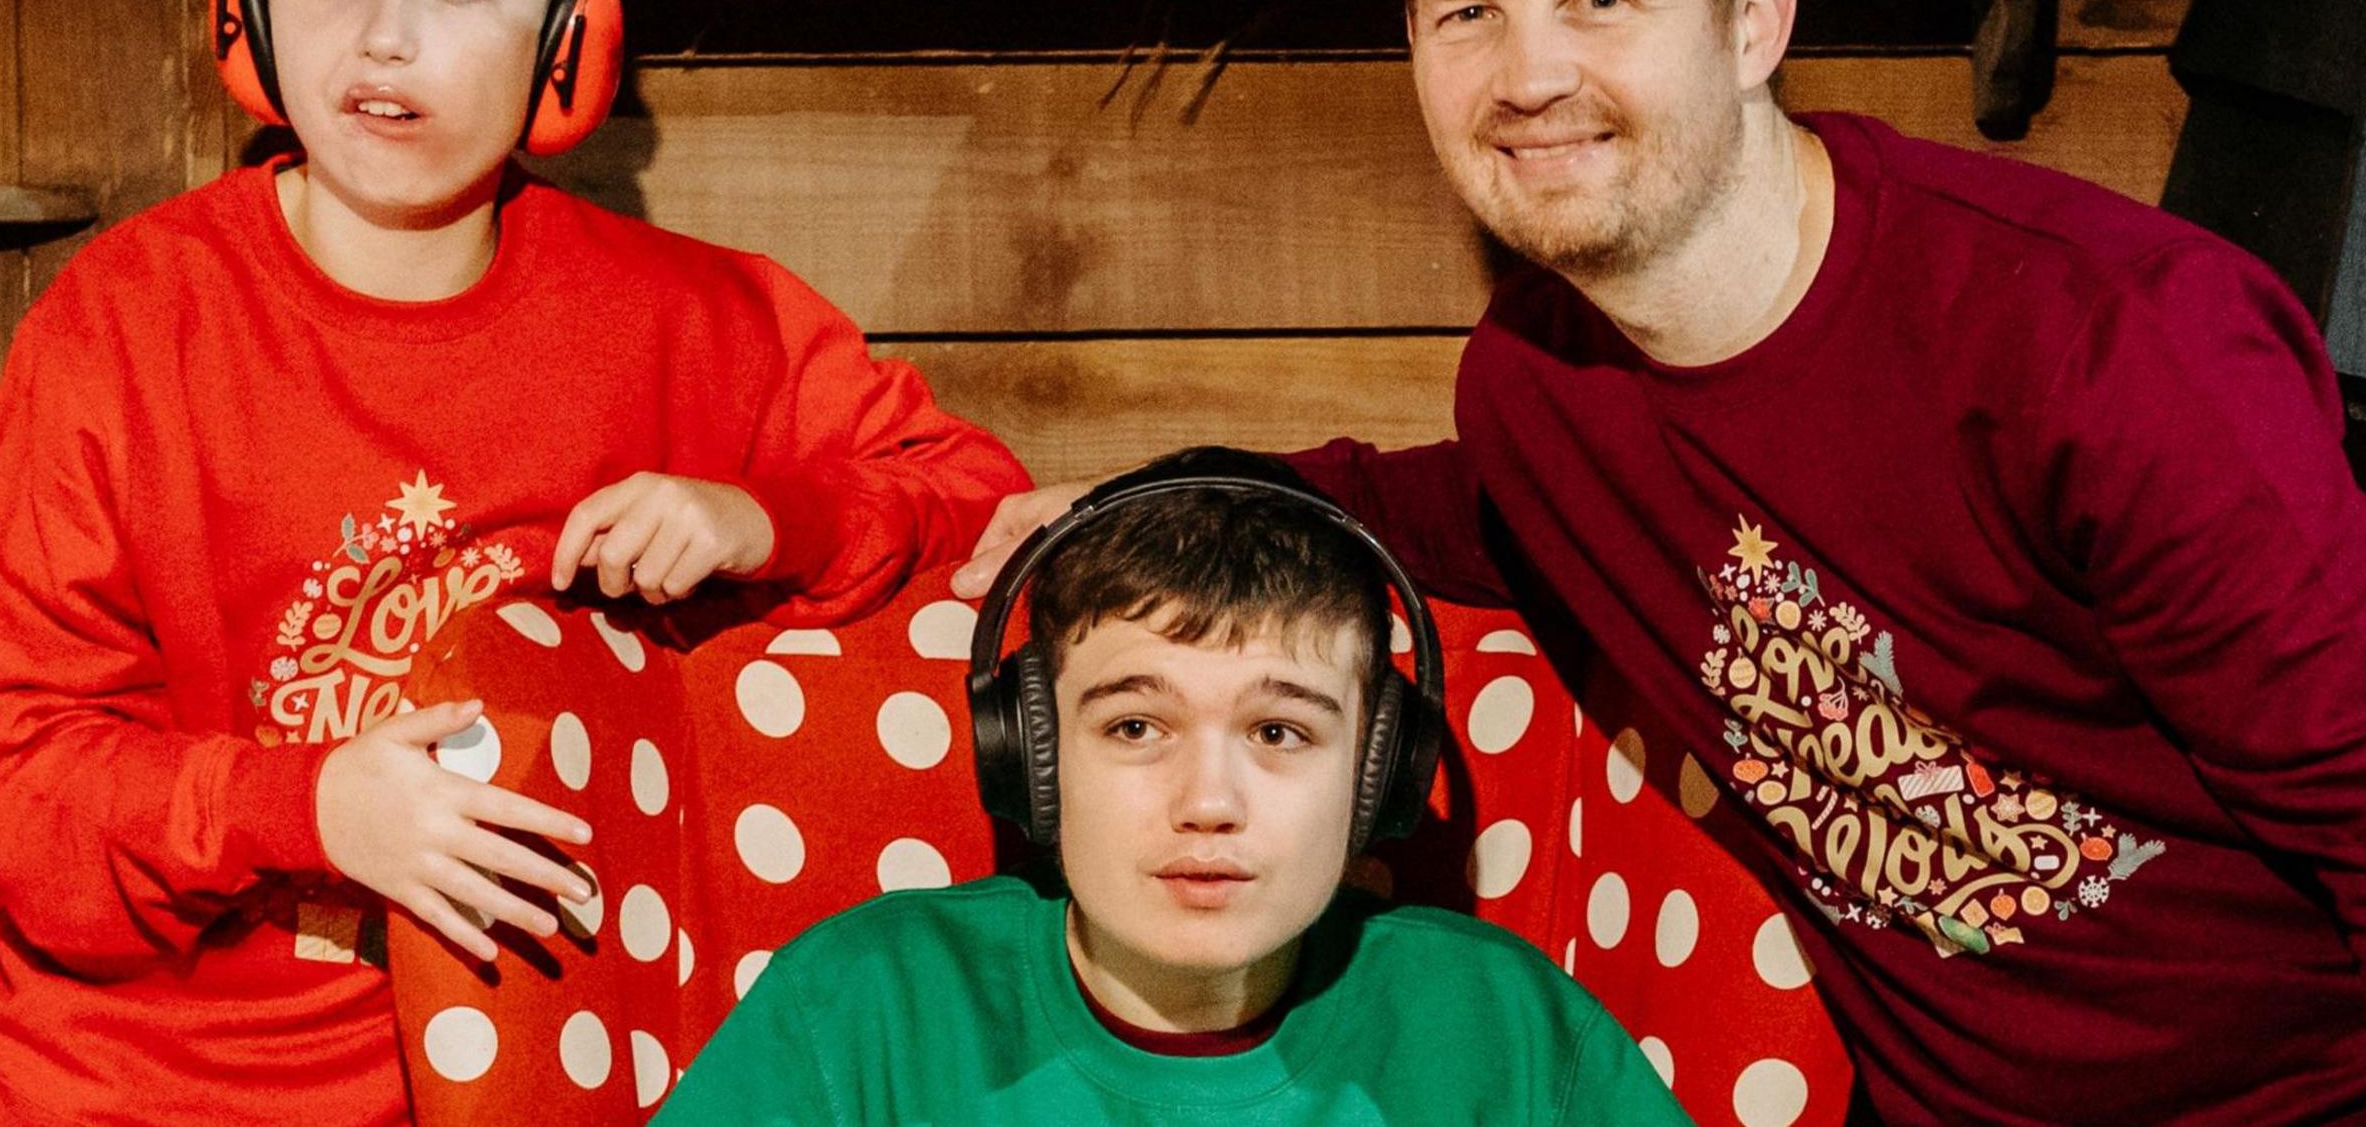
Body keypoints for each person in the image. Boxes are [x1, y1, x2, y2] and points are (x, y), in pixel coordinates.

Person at [954, 0, 2366, 1123]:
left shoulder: (2117, 350)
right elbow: (1451, 503)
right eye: (1466, 11)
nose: (1528, 72)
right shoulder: (1539, 389)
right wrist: (1138, 503)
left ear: (1755, 22)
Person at [0, 0, 1026, 1127]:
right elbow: (9, 758)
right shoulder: (124, 322)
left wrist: (772, 519)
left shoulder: (701, 318)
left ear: (569, 40)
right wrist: (307, 806)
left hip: (558, 1071)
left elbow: (981, 503)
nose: (383, 38)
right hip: (154, 1087)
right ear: (244, 5)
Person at [664, 449, 1687, 1124]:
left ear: (1376, 773)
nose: (1208, 798)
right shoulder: (866, 1007)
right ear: (1032, 752)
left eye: (1279, 729)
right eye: (1135, 725)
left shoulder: (1502, 1029)